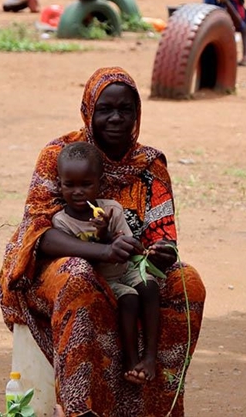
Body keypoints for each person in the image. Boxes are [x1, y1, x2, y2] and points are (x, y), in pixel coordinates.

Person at [0, 67, 206, 416]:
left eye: (125, 110)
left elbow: (164, 236)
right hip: (55, 269)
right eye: (105, 109)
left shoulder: (149, 166)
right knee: (79, 276)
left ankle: (156, 401)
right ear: (88, 109)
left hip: (126, 269)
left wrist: (160, 252)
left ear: (137, 113)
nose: (115, 119)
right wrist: (103, 250)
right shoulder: (60, 155)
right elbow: (38, 234)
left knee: (188, 281)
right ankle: (80, 408)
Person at [51, 141, 161, 384]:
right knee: (130, 299)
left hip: (125, 269)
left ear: (100, 184)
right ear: (59, 185)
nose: (77, 192)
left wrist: (114, 237)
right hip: (103, 279)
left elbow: (129, 247)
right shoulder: (62, 223)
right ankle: (132, 361)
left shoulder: (111, 210)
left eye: (86, 185)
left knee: (150, 287)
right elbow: (79, 258)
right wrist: (102, 240)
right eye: (70, 185)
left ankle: (150, 356)